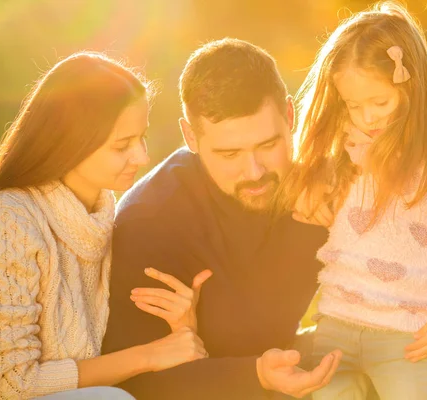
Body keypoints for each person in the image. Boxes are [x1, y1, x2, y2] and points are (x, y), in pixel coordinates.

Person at [277, 3, 427, 399]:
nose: (366, 117)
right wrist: (312, 189)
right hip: (336, 329)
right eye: (353, 105)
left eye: (379, 102)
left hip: (406, 338)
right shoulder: (340, 151)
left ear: (410, 85)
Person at [102, 38, 342, 400]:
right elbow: (133, 385)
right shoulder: (150, 225)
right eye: (229, 154)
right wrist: (256, 376)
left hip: (289, 370)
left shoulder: (321, 187)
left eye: (268, 144)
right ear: (190, 136)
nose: (255, 171)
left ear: (291, 117)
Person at [0, 52, 206, 399]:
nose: (142, 157)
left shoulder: (109, 219)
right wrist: (150, 355)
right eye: (122, 145)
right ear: (70, 143)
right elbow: (8, 383)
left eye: (142, 137)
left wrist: (181, 328)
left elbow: (127, 357)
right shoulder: (11, 222)